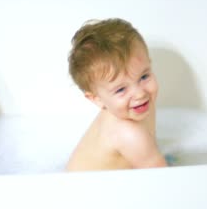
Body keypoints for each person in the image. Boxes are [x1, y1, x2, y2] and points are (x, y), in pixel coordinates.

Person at [66, 18, 167, 171]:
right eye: (121, 90)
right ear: (97, 99)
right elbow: (166, 180)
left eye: (144, 77)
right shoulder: (129, 134)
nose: (140, 94)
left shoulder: (133, 107)